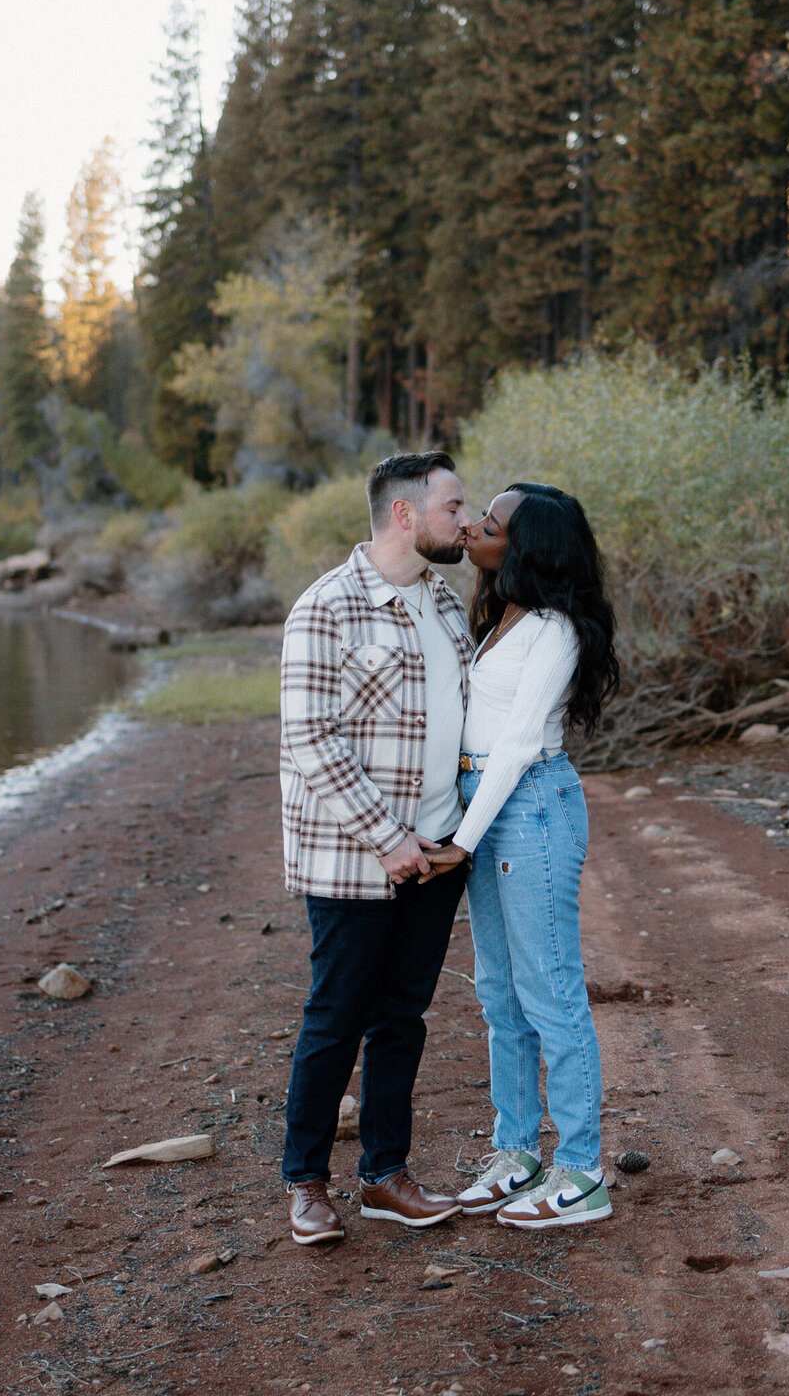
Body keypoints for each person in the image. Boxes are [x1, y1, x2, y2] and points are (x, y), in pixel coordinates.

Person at [279, 451, 475, 1245]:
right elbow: (310, 738)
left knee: (404, 1017)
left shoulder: (449, 608)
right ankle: (305, 1183)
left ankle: (386, 1174)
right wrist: (387, 838)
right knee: (336, 1015)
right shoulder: (325, 608)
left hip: (437, 857)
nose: (465, 521)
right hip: (352, 856)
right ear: (405, 514)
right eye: (453, 506)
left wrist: (459, 831)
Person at [423, 482, 620, 1229]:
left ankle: (582, 1170)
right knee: (499, 996)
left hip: (530, 805)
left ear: (528, 547)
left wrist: (462, 841)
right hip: (487, 805)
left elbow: (513, 745)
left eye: (493, 525)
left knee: (552, 994)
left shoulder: (556, 629)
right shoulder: (501, 617)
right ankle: (517, 1153)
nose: (474, 527)